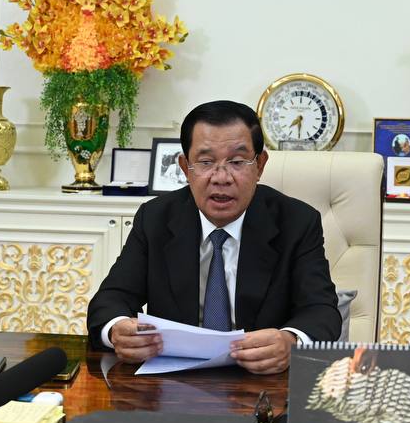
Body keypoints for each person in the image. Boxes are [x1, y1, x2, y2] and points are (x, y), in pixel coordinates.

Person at [87, 100, 342, 374]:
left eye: (237, 162)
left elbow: (321, 310)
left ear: (260, 165)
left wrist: (290, 341)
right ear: (185, 167)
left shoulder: (297, 222)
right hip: (172, 380)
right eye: (206, 162)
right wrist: (117, 329)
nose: (221, 178)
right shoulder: (156, 218)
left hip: (262, 381)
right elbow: (111, 299)